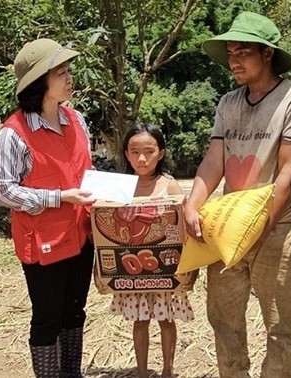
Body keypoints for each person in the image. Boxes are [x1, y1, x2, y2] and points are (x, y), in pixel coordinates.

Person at [184, 12, 291, 377]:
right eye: (230, 53)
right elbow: (215, 161)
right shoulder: (229, 103)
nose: (234, 61)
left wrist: (257, 231)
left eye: (243, 51)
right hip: (227, 228)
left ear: (267, 54)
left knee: (279, 329)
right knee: (224, 323)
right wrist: (193, 204)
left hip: (275, 231)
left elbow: (287, 176)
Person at [0, 38, 95, 378]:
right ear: (39, 82)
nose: (70, 78)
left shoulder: (76, 119)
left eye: (69, 71)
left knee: (75, 311)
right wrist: (58, 197)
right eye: (61, 73)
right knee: (47, 316)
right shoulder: (14, 133)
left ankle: (71, 373)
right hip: (43, 241)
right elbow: (5, 192)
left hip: (80, 234)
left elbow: (86, 171)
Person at [96, 124, 197, 378]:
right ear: (126, 154)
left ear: (161, 153)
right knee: (139, 320)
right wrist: (100, 270)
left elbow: (182, 231)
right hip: (131, 273)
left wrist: (189, 268)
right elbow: (102, 230)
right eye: (135, 151)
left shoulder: (170, 186)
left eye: (149, 151)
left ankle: (167, 371)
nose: (142, 158)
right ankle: (141, 372)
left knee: (166, 320)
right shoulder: (118, 187)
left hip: (165, 271)